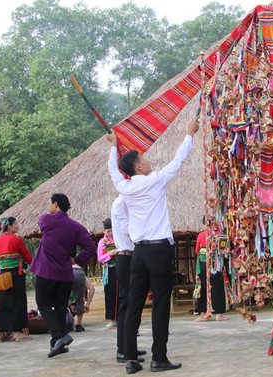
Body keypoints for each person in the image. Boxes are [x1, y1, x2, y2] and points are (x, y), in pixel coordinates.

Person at [120, 115, 199, 374]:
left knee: (134, 303)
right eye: (143, 158)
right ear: (138, 167)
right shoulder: (155, 180)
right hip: (158, 249)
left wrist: (112, 149)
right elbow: (178, 161)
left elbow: (113, 172)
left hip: (139, 251)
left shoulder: (124, 188)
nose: (147, 159)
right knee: (161, 303)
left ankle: (130, 358)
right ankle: (158, 358)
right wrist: (189, 134)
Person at [29, 193, 95, 358]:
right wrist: (78, 260)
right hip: (66, 272)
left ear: (55, 204)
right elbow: (90, 246)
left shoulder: (47, 220)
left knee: (42, 304)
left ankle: (59, 335)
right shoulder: (76, 226)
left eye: (50, 203)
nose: (48, 206)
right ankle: (57, 344)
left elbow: (41, 220)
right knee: (60, 306)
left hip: (46, 270)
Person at [105, 134, 147, 364]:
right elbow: (130, 230)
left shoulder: (125, 200)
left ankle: (129, 346)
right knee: (127, 304)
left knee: (133, 303)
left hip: (130, 256)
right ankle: (123, 348)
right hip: (127, 256)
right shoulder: (121, 202)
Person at [0, 216, 34, 341]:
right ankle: (17, 332)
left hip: (3, 275)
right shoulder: (16, 239)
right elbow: (28, 257)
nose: (17, 225)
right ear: (9, 226)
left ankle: (1, 333)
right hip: (16, 274)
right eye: (15, 223)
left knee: (3, 303)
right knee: (18, 302)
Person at [193, 223, 228, 322]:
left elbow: (197, 250)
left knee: (203, 287)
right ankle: (218, 314)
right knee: (217, 287)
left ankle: (203, 314)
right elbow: (224, 249)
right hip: (217, 263)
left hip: (204, 262)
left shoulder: (201, 235)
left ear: (205, 224)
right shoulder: (221, 234)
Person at [97, 218, 118, 329]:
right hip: (109, 270)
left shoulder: (118, 239)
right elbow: (100, 258)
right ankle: (112, 319)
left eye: (112, 230)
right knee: (110, 294)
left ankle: (121, 317)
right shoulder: (102, 242)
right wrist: (110, 254)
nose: (110, 233)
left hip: (119, 269)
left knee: (120, 293)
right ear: (104, 231)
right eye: (108, 231)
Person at [70, 262, 95, 332]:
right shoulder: (80, 270)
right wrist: (88, 304)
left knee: (64, 293)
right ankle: (79, 325)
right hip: (80, 274)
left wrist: (70, 304)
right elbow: (92, 289)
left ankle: (64, 324)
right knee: (80, 298)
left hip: (67, 271)